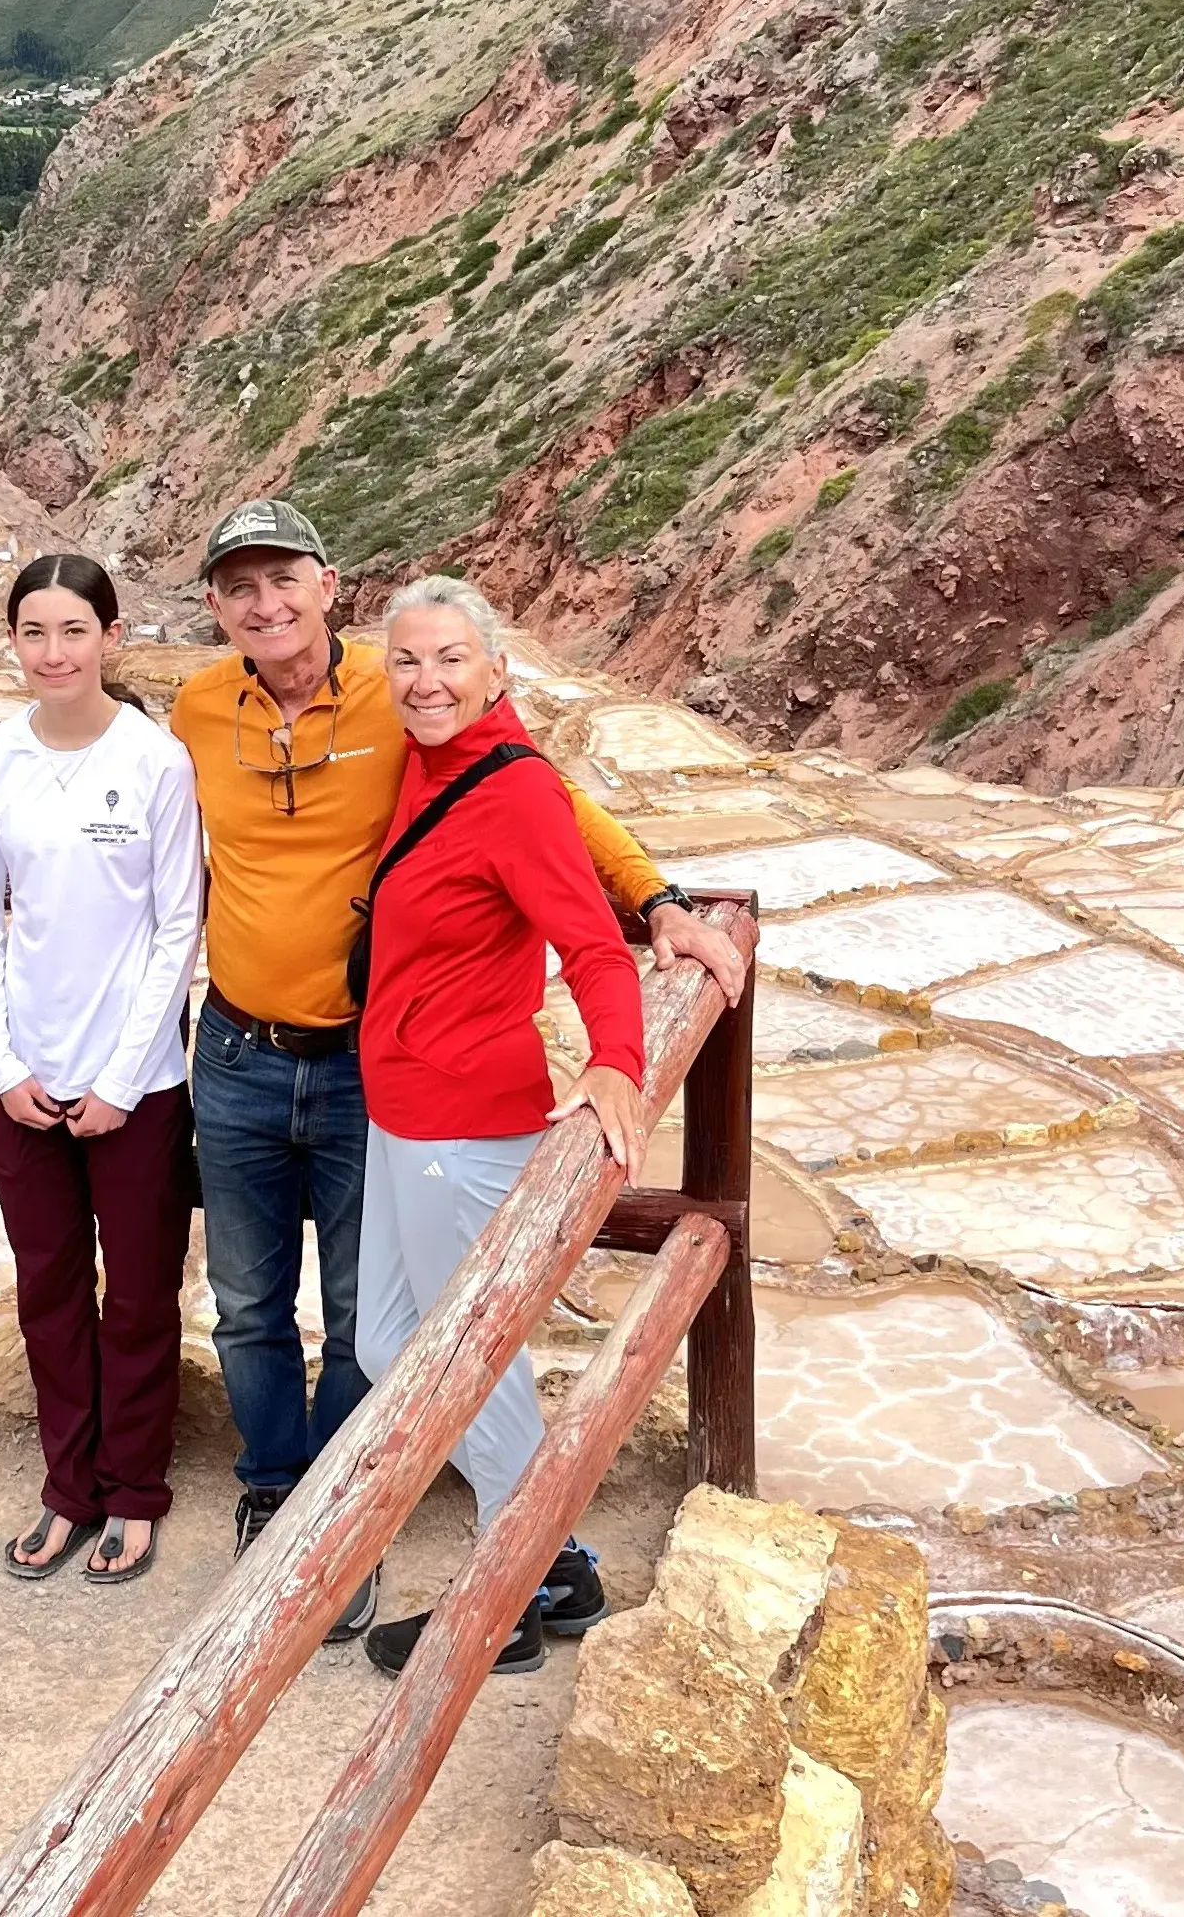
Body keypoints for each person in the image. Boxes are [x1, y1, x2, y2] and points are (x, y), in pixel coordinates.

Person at [168, 498, 749, 1641]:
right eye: (241, 585)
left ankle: (518, 1567)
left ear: (328, 585)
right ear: (215, 605)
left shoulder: (411, 712)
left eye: (285, 578)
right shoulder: (220, 709)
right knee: (358, 1330)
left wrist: (657, 906)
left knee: (438, 1339)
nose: (266, 603)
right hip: (285, 1063)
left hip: (423, 1096)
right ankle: (480, 1545)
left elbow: (551, 810)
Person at [352, 575, 645, 1675]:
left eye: (451, 659)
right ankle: (555, 1562)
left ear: (497, 671)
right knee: (391, 1342)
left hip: (464, 1123)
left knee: (465, 1361)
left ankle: (507, 1594)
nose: (426, 680)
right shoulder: (427, 765)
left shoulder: (514, 790)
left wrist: (617, 1061)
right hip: (403, 1108)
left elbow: (595, 945)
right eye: (408, 660)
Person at [0, 552, 203, 1584]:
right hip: (23, 1074)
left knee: (139, 1292)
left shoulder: (156, 762)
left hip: (136, 1081)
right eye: (34, 632)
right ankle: (69, 1487)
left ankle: (133, 1489)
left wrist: (119, 1079)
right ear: (13, 640)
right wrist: (3, 1062)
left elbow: (178, 925)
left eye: (73, 630)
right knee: (47, 1288)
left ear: (110, 636)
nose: (53, 652)